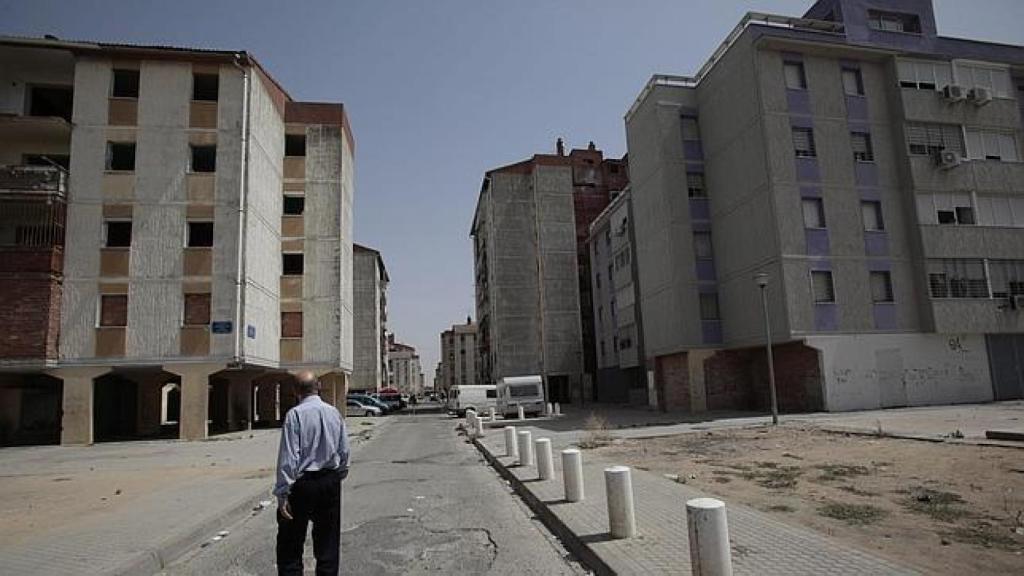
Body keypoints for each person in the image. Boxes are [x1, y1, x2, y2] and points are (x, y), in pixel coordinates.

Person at [273, 371, 349, 576]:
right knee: (328, 542)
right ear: (319, 386)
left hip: (302, 484)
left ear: (295, 391)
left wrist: (282, 492)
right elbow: (344, 450)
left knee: (290, 544)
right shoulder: (334, 413)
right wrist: (338, 474)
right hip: (329, 480)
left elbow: (289, 457)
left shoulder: (295, 415)